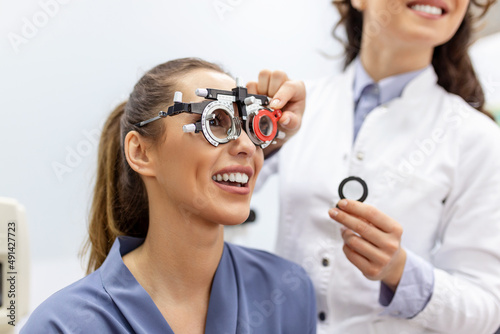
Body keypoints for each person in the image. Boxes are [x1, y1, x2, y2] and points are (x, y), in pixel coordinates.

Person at [250, 0, 500, 332]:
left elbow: (486, 311)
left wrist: (400, 271)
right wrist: (259, 138)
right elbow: (200, 203)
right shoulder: (296, 106)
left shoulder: (478, 139)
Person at [20, 58, 317, 334]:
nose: (249, 147)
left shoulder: (286, 291)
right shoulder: (63, 325)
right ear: (141, 152)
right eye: (216, 121)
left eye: (253, 127)